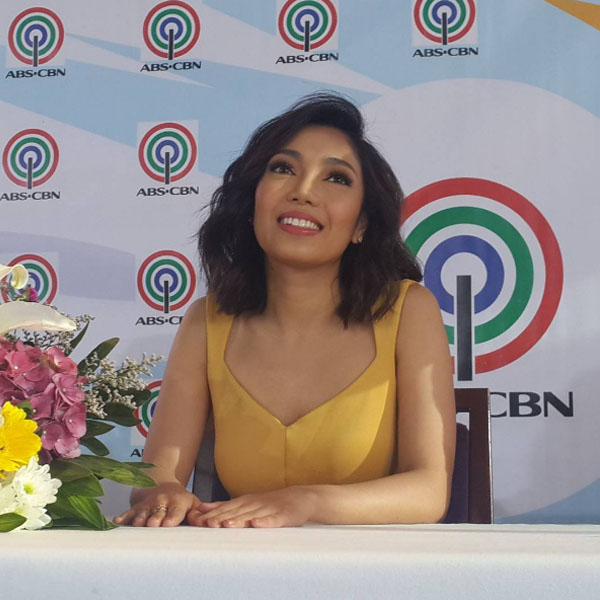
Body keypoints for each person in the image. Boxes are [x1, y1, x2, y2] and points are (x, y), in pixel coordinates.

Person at [114, 93, 455, 528]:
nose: (303, 192)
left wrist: (306, 503)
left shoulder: (408, 310)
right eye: (283, 169)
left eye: (336, 178)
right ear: (252, 200)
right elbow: (155, 477)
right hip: (240, 562)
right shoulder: (207, 320)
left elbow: (429, 492)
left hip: (370, 564)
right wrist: (163, 493)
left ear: (361, 225)